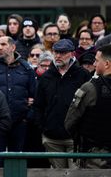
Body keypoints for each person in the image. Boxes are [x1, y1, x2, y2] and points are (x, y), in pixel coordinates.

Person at [34, 39, 91, 168]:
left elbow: (89, 106)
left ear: (72, 54)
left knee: (76, 176)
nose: (58, 56)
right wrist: (44, 128)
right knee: (57, 176)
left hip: (75, 138)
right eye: (56, 52)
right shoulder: (46, 77)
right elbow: (38, 105)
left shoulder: (83, 75)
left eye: (63, 52)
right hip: (51, 138)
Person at [0, 36, 37, 154]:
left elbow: (35, 95)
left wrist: (27, 117)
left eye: (3, 44)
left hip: (20, 122)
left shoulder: (26, 68)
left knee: (17, 158)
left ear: (13, 47)